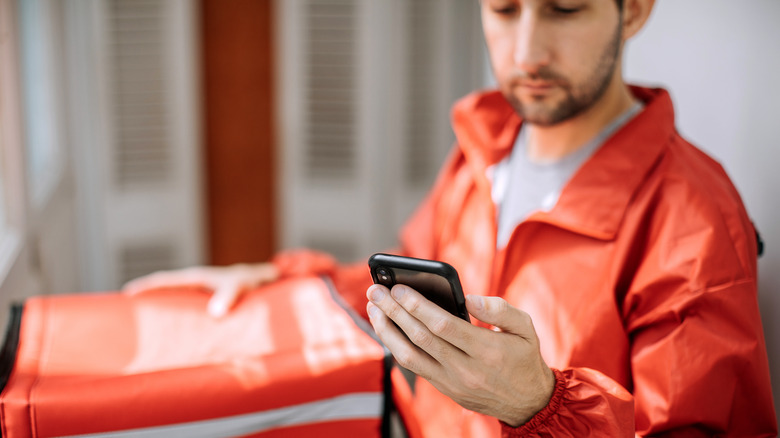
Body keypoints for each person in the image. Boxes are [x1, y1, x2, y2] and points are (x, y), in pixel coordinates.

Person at [125, 0, 778, 435]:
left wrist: (540, 404)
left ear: (632, 9)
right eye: (503, 7)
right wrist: (278, 281)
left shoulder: (694, 222)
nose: (527, 51)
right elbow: (402, 286)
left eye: (564, 8)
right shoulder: (482, 149)